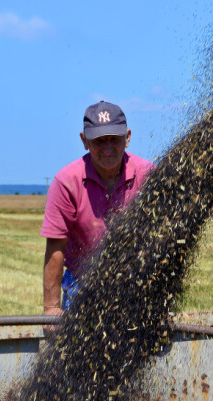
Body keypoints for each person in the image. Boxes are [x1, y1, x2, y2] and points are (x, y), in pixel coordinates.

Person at [42, 101, 154, 321]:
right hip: (82, 283)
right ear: (84, 141)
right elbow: (55, 248)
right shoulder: (67, 182)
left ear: (128, 137)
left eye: (114, 138)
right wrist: (52, 309)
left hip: (138, 283)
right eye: (99, 140)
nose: (107, 147)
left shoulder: (149, 176)